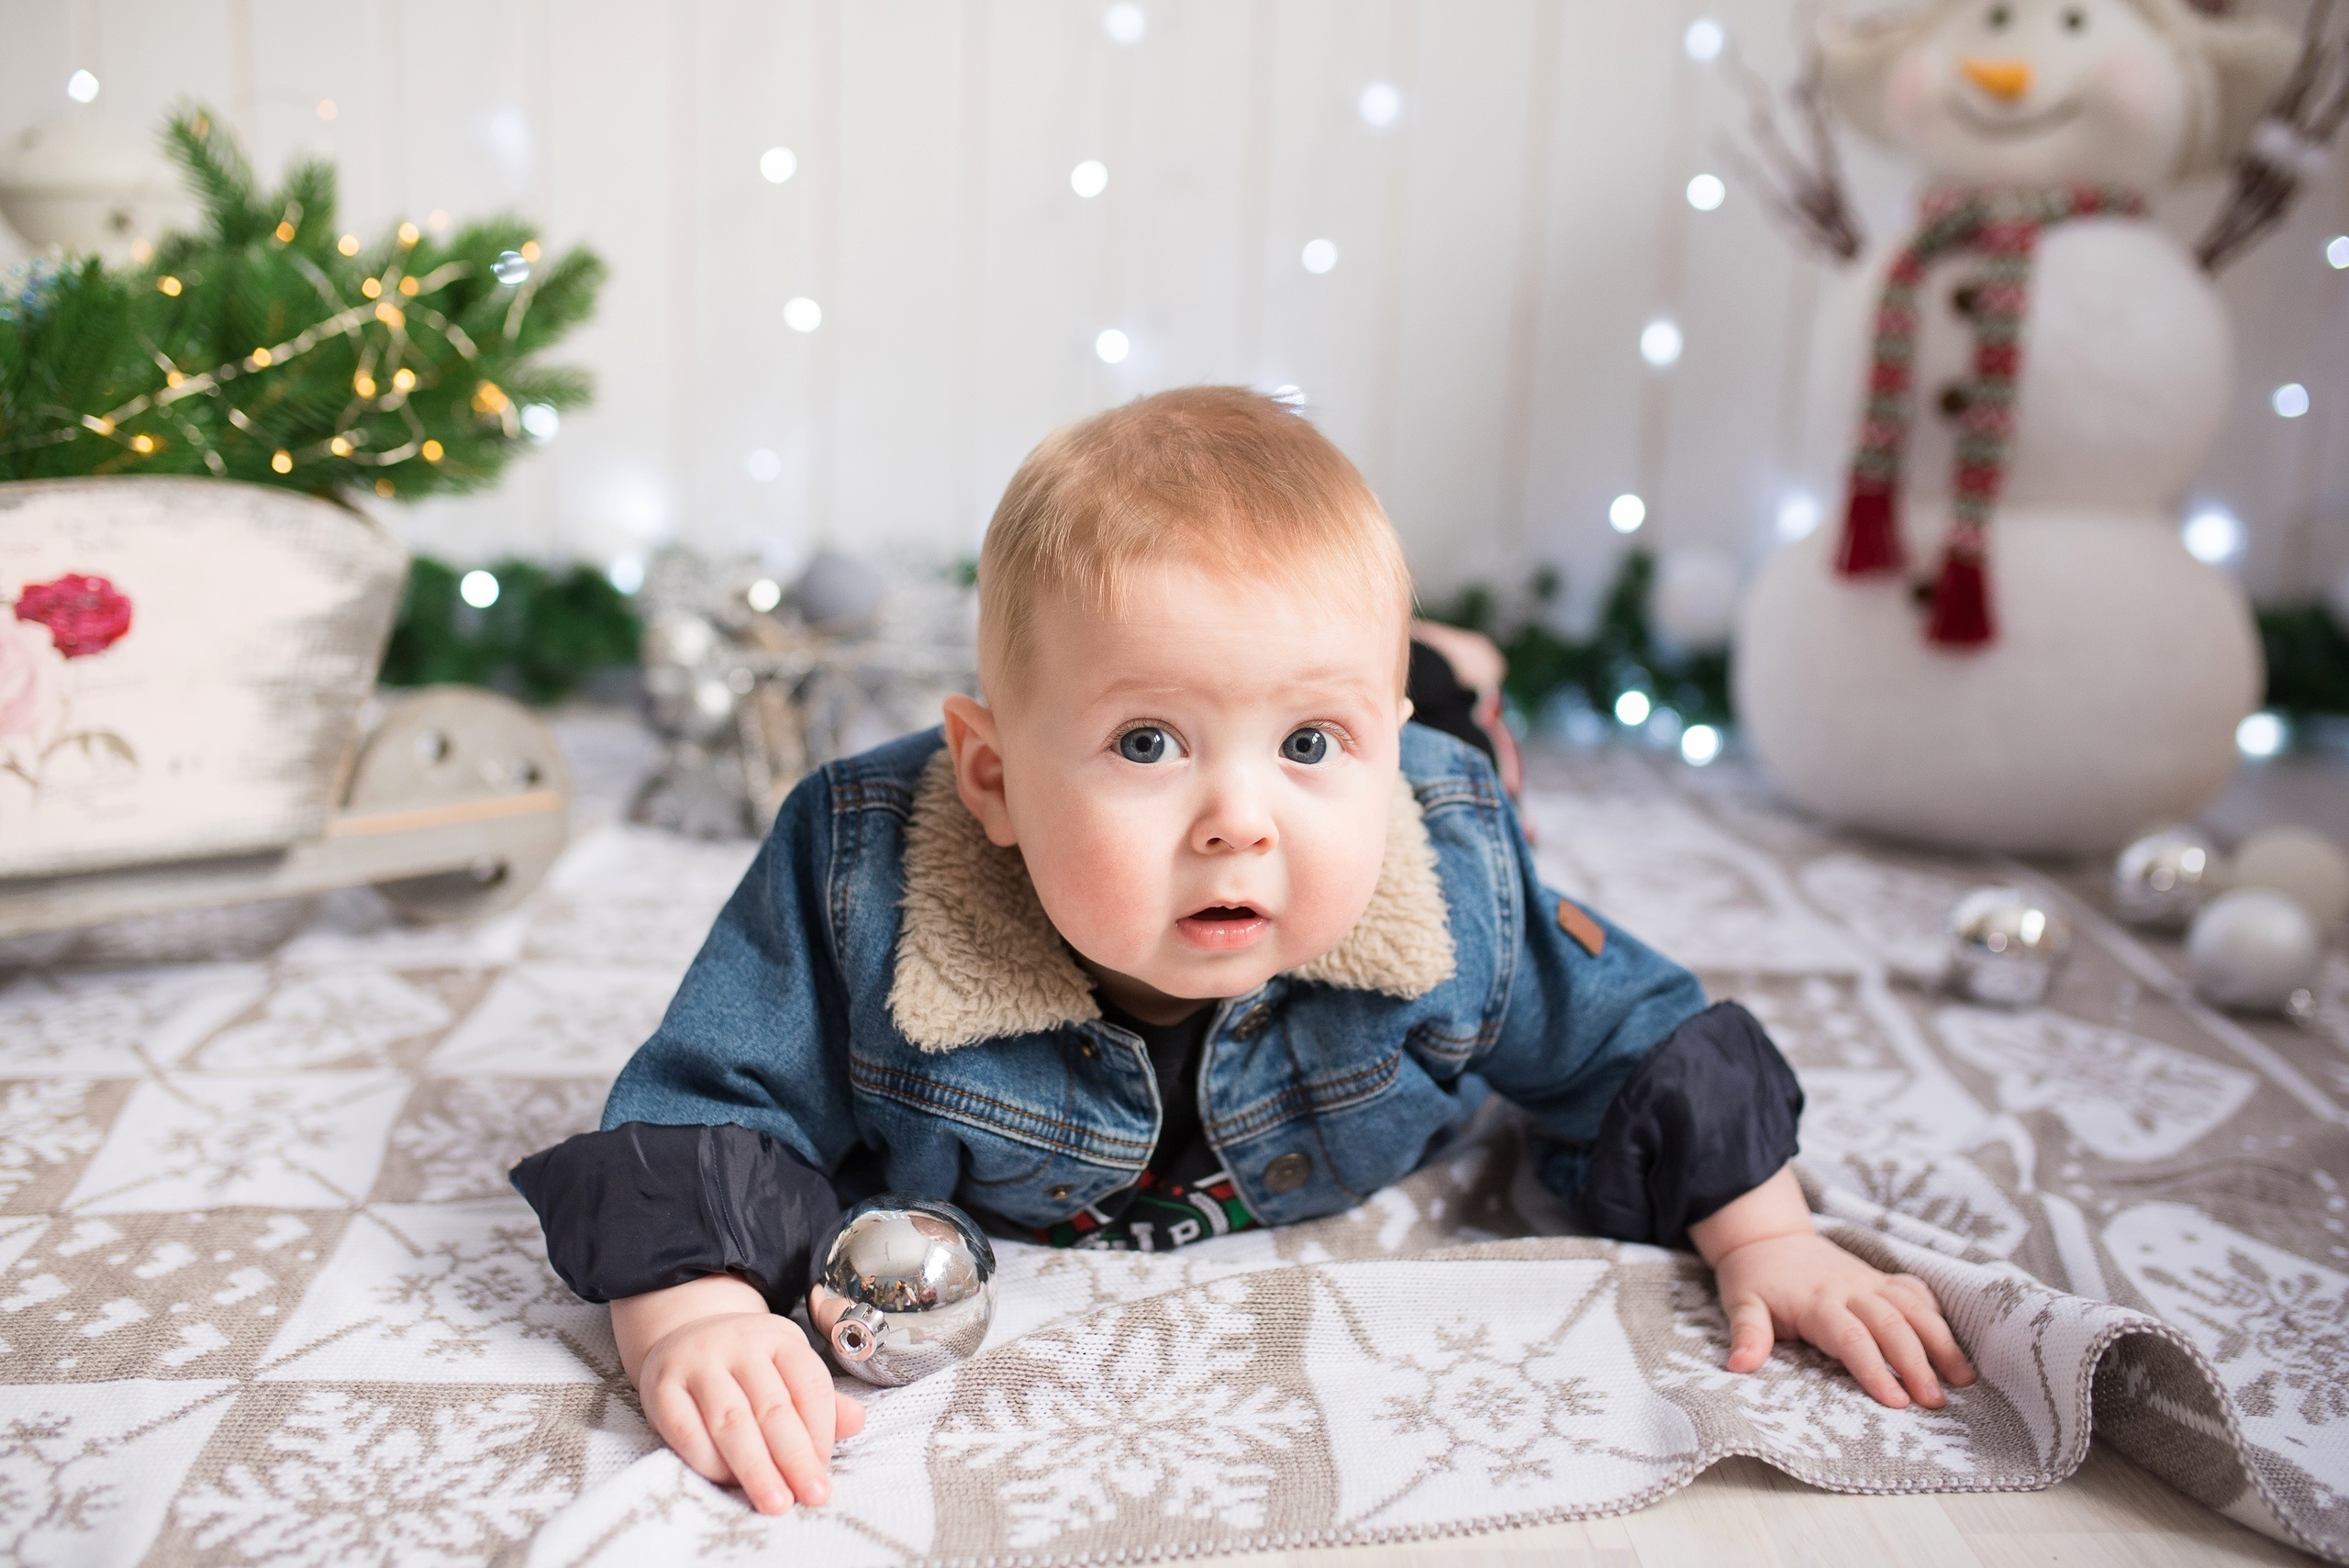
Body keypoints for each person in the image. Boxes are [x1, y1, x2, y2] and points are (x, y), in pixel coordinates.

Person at [512, 387, 1975, 1517]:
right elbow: (711, 1093)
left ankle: (1443, 686)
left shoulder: (1441, 872)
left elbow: (1635, 1032)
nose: (1236, 822)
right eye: (1148, 741)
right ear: (996, 774)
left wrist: (1768, 1232)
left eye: (1306, 742)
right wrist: (692, 1310)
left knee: (1457, 761)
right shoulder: (868, 871)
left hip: (1419, 771)